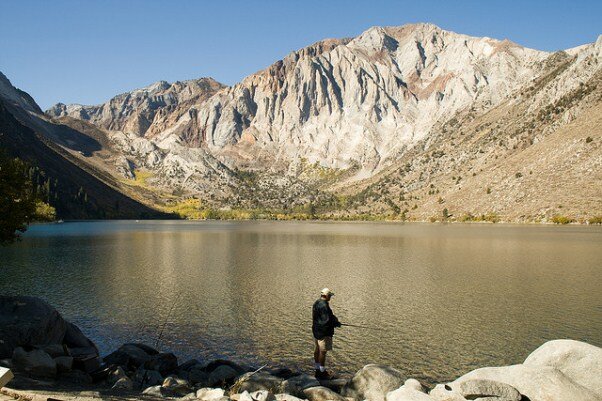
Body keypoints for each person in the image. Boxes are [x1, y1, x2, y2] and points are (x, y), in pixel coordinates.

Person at [312, 287, 341, 379]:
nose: (330, 298)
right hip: (323, 333)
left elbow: (321, 318)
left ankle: (317, 369)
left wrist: (334, 320)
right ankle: (322, 372)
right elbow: (326, 320)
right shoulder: (324, 305)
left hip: (316, 331)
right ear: (326, 296)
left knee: (317, 350)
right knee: (322, 352)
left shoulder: (316, 303)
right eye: (330, 296)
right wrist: (335, 323)